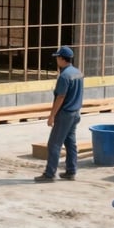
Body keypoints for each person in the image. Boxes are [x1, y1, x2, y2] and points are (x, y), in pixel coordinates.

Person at [35, 45, 84, 182]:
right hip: (75, 113)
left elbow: (60, 97)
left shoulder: (64, 76)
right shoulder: (78, 73)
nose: (56, 60)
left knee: (54, 144)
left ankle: (49, 174)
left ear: (62, 59)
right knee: (70, 143)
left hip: (65, 114)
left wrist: (52, 116)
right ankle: (71, 171)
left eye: (57, 58)